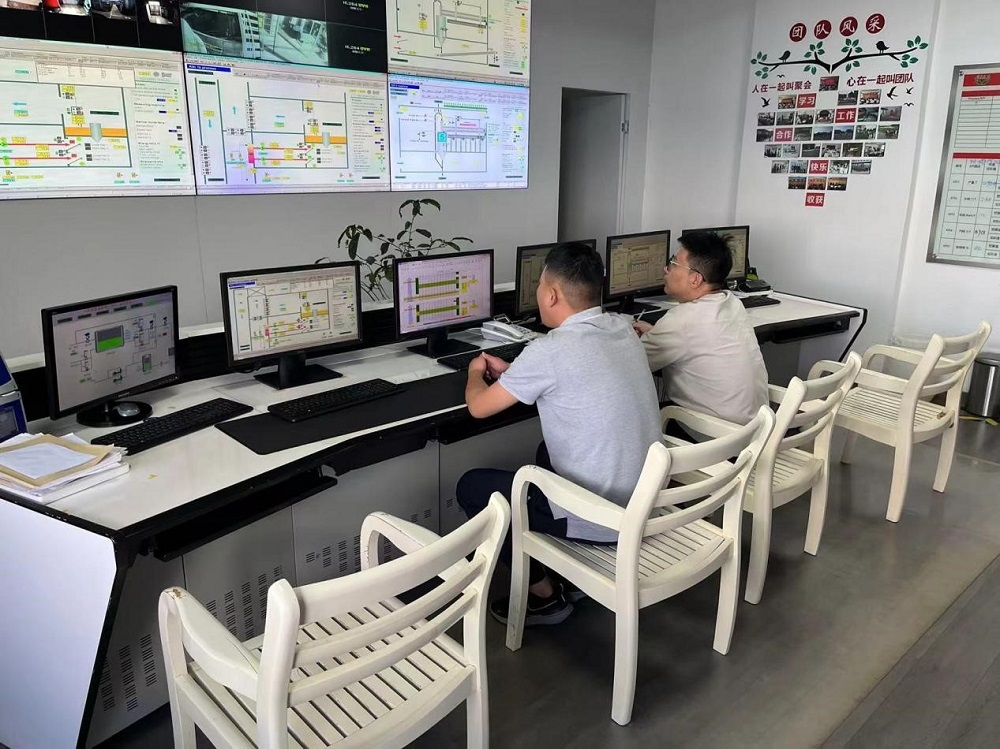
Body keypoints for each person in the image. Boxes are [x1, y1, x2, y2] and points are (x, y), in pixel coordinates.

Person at [458, 241, 662, 626]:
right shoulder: (621, 327)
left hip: (607, 519)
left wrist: (474, 373)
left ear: (551, 294)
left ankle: (546, 598)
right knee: (544, 452)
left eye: (539, 285)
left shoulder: (549, 351)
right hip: (646, 498)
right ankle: (569, 575)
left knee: (473, 487)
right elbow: (578, 372)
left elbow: (478, 406)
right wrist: (518, 375)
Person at [633, 231, 768, 425]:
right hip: (756, 429)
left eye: (673, 263)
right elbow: (694, 337)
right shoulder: (732, 303)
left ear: (695, 279)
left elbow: (631, 364)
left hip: (715, 436)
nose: (666, 269)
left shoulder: (681, 321)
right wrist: (656, 334)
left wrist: (628, 335)